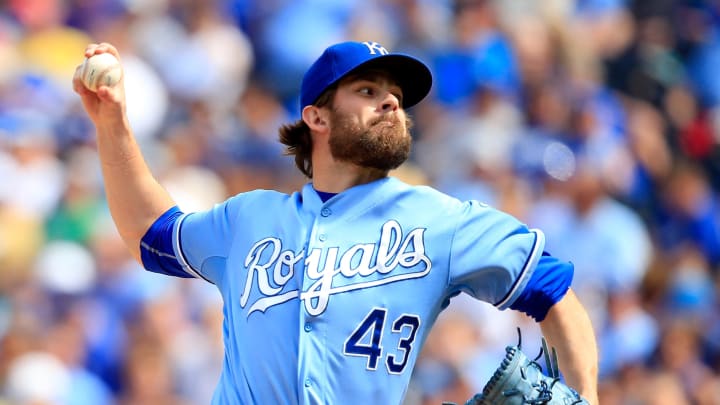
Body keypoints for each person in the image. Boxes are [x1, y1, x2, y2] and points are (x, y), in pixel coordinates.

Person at [73, 40, 599, 405]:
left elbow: (555, 293)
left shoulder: (443, 221)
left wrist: (586, 398)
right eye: (368, 91)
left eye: (395, 95)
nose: (391, 100)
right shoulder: (250, 217)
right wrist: (112, 122)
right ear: (317, 117)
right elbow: (149, 230)